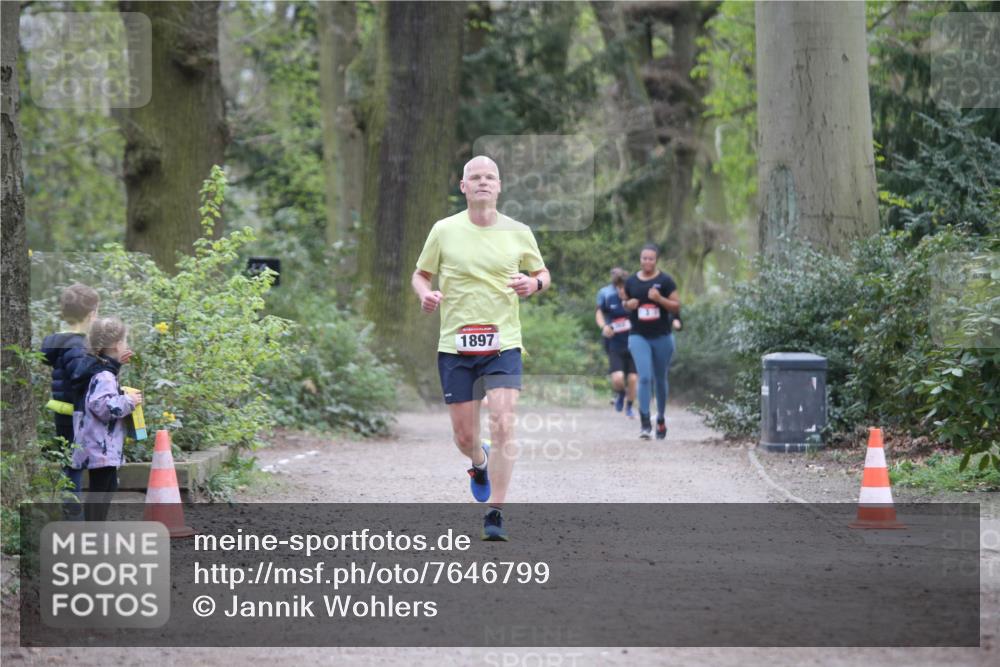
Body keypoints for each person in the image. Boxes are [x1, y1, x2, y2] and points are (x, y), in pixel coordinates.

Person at [412, 155, 550, 541]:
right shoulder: (444, 230)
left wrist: (533, 284)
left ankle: (496, 513)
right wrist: (426, 294)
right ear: (463, 186)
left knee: (504, 420)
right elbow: (420, 274)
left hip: (502, 341)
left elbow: (542, 273)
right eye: (476, 177)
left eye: (490, 177)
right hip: (455, 345)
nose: (483, 182)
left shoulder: (518, 231)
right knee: (464, 438)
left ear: (500, 186)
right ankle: (479, 461)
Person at [69, 317, 142, 521]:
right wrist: (129, 400)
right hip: (100, 445)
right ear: (118, 345)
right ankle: (93, 534)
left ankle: (94, 531)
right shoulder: (104, 375)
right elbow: (102, 406)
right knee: (100, 492)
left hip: (97, 443)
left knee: (107, 487)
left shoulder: (96, 367)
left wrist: (117, 364)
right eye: (124, 342)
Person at [41, 283, 101, 508]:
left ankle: (71, 510)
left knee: (70, 460)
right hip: (75, 413)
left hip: (61, 410)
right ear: (91, 313)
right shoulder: (77, 345)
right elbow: (79, 375)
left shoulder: (59, 341)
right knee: (74, 465)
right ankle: (72, 513)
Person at [622, 244, 680, 440]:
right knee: (644, 377)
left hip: (662, 336)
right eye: (644, 258)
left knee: (660, 379)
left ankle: (661, 418)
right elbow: (625, 303)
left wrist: (659, 299)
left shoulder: (665, 281)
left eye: (651, 259)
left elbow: (676, 306)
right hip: (638, 335)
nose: (647, 262)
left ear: (657, 260)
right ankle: (645, 422)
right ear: (640, 259)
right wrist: (627, 305)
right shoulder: (631, 281)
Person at [595, 268, 636, 417]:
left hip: (634, 345)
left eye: (623, 287)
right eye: (618, 287)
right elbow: (599, 313)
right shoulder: (608, 296)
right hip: (615, 343)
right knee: (618, 377)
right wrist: (604, 327)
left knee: (632, 378)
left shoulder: (635, 300)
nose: (621, 290)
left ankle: (630, 406)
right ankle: (620, 394)